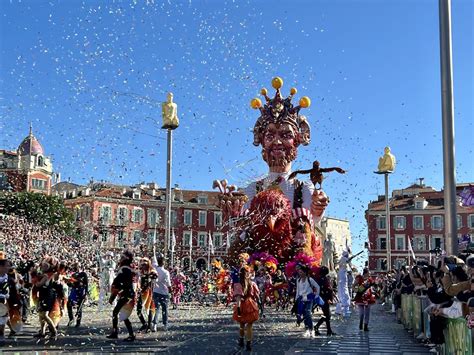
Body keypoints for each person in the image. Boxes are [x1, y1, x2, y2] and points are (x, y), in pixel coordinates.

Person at [106, 250, 136, 342]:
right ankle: (122, 333)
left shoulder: (124, 269)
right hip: (128, 294)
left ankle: (123, 333)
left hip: (127, 294)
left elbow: (117, 283)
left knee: (118, 313)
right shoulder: (127, 269)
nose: (120, 258)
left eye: (122, 257)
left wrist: (112, 297)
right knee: (122, 314)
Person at [233, 265, 260, 351]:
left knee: (241, 324)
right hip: (250, 304)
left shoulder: (237, 285)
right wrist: (259, 304)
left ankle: (241, 340)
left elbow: (238, 299)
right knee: (249, 325)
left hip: (242, 305)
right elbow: (257, 295)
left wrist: (238, 309)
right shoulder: (252, 284)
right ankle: (248, 343)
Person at [295, 264, 320, 338]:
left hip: (309, 298)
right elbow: (298, 290)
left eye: (302, 272)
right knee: (303, 314)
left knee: (308, 312)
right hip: (301, 299)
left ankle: (312, 329)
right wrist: (296, 298)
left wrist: (316, 295)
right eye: (299, 272)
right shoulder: (298, 280)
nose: (300, 273)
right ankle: (306, 329)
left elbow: (317, 287)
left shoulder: (310, 279)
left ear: (305, 272)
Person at [151, 248, 171, 332]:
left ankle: (154, 324)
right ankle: (165, 324)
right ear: (164, 263)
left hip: (155, 291)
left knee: (156, 309)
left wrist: (154, 250)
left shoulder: (155, 269)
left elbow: (154, 261)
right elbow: (168, 283)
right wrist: (171, 290)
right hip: (164, 292)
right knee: (165, 309)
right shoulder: (166, 272)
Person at [136, 257, 157, 332]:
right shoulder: (141, 271)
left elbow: (155, 276)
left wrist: (150, 275)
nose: (144, 264)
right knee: (138, 310)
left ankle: (149, 325)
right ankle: (144, 324)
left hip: (150, 292)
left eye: (145, 262)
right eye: (142, 262)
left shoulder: (152, 270)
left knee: (150, 308)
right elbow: (137, 279)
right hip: (142, 292)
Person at [314, 266, 336, 336]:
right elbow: (329, 290)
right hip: (325, 299)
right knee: (327, 315)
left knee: (327, 315)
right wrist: (331, 298)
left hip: (321, 298)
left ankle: (328, 330)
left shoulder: (318, 279)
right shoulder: (325, 279)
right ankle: (318, 327)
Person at [66, 263, 88, 328]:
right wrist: (68, 283)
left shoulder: (83, 274)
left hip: (81, 291)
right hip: (74, 292)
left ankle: (78, 322)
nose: (75, 268)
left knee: (79, 307)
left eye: (76, 267)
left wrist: (85, 293)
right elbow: (72, 285)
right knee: (69, 304)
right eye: (74, 267)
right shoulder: (72, 275)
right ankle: (71, 318)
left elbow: (86, 284)